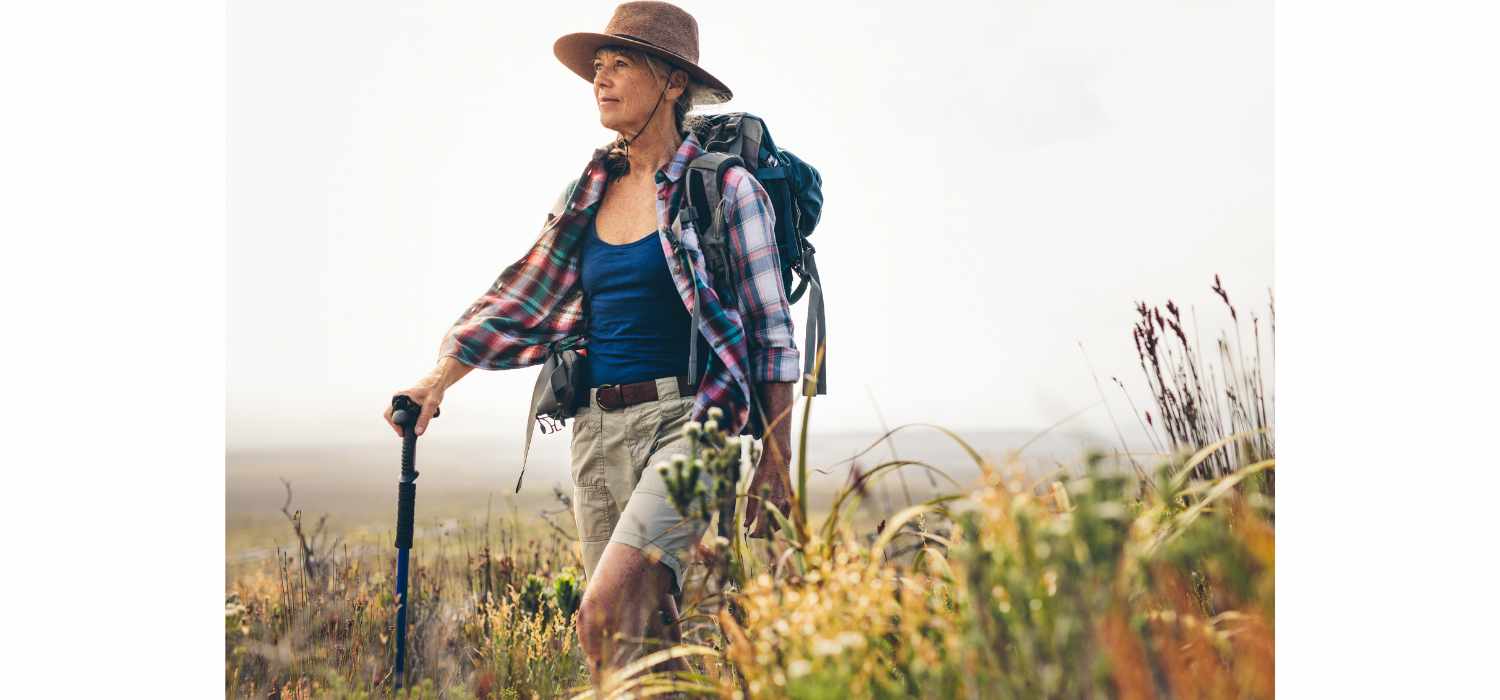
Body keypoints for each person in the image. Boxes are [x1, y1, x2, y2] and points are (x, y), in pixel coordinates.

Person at [381, 1, 802, 677]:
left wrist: (776, 466)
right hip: (596, 431)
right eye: (598, 66)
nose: (600, 79)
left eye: (621, 64)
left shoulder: (726, 189)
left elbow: (773, 335)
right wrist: (438, 378)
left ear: (674, 83)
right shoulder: (586, 190)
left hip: (693, 427)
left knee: (602, 614)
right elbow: (521, 295)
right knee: (637, 651)